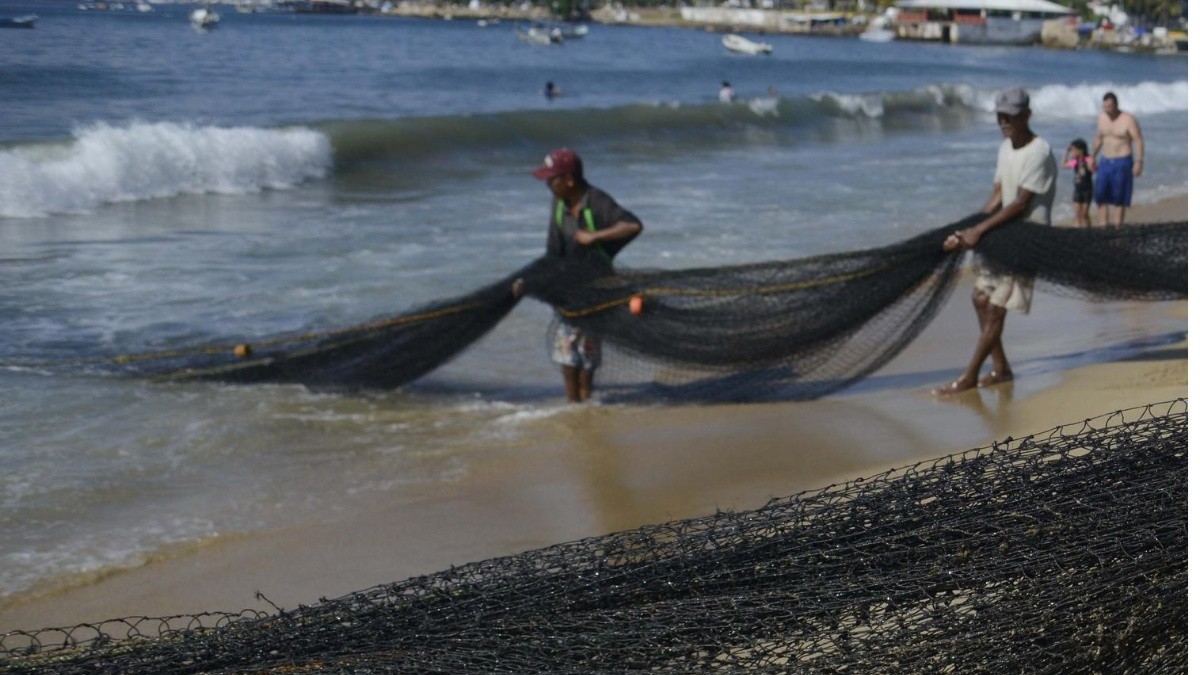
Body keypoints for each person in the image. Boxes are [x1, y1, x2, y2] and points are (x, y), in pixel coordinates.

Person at [934, 87, 1056, 396]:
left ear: (1026, 116)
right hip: (1001, 237)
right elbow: (999, 195)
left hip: (1026, 240)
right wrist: (966, 229)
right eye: (1000, 117)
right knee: (980, 298)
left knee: (997, 309)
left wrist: (979, 232)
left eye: (1010, 117)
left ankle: (970, 376)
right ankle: (1001, 369)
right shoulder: (1005, 148)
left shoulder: (1039, 151)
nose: (1004, 123)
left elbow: (1019, 205)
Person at [512, 148, 643, 403]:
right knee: (567, 356)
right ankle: (574, 405)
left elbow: (632, 225)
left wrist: (595, 236)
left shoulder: (597, 201)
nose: (548, 184)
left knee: (587, 359)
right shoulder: (559, 205)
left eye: (552, 179)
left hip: (596, 291)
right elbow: (552, 251)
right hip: (567, 291)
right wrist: (533, 280)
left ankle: (585, 407)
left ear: (569, 180)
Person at [1089, 92, 1144, 226]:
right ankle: (1103, 228)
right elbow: (1099, 138)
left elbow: (1138, 140)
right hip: (1105, 161)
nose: (1107, 109)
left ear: (1116, 105)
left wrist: (1139, 161)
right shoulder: (1102, 118)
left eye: (1109, 106)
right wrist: (1092, 157)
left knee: (1119, 198)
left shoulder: (1128, 119)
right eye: (1105, 106)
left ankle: (1117, 229)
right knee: (1100, 196)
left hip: (1122, 161)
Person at [1061, 138, 1093, 227]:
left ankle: (1088, 230)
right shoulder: (1075, 161)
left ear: (1080, 150)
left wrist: (1089, 165)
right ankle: (1078, 231)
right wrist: (1066, 152)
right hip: (1077, 189)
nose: (1072, 152)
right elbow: (1063, 165)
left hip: (1087, 189)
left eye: (1073, 150)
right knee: (1077, 214)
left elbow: (1093, 169)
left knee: (1084, 214)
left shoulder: (1088, 159)